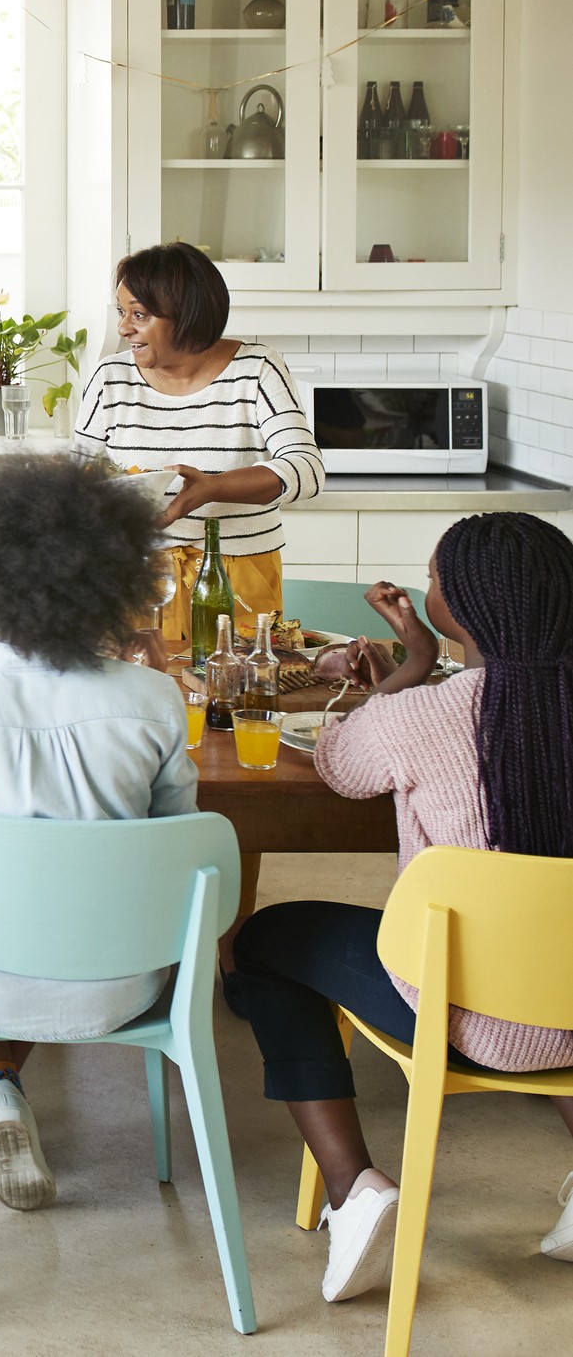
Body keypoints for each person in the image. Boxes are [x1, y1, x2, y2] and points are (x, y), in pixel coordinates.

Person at [231, 512, 573, 1304]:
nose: (426, 589)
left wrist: (406, 667)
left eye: (434, 580)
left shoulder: (420, 717)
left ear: (462, 607)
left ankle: (353, 1190)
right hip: (567, 1004)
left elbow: (340, 766)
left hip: (467, 1016)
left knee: (263, 939)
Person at [0, 456, 195, 1212]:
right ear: (113, 578)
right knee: (41, 917)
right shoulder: (155, 700)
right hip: (125, 982)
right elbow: (178, 852)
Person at [74, 242, 324, 639]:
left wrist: (210, 489)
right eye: (122, 312)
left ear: (187, 316)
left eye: (139, 314)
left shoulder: (257, 368)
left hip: (236, 574)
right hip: (133, 577)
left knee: (236, 688)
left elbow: (305, 471)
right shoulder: (110, 377)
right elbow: (79, 478)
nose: (123, 328)